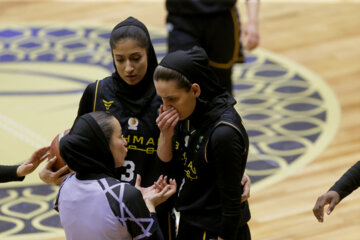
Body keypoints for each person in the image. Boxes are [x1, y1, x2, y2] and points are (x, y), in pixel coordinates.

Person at [39, 16, 251, 238]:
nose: (128, 68)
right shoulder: (97, 94)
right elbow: (80, 152)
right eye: (119, 60)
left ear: (148, 53)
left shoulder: (170, 95)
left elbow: (195, 151)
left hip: (155, 209)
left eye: (136, 58)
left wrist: (233, 170)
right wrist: (53, 174)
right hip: (105, 210)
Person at [154, 46, 251, 240]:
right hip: (191, 222)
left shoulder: (223, 132)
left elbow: (231, 206)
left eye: (172, 99)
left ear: (195, 90)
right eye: (162, 99)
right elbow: (167, 164)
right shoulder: (187, 114)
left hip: (216, 232)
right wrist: (165, 134)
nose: (165, 107)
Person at [56, 111, 176, 240]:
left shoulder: (65, 185)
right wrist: (148, 205)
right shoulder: (122, 195)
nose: (125, 142)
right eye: (120, 136)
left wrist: (133, 200)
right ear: (103, 145)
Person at [165, 0, 260, 95]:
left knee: (220, 81)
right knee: (180, 76)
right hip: (181, 18)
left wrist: (253, 22)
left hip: (222, 18)